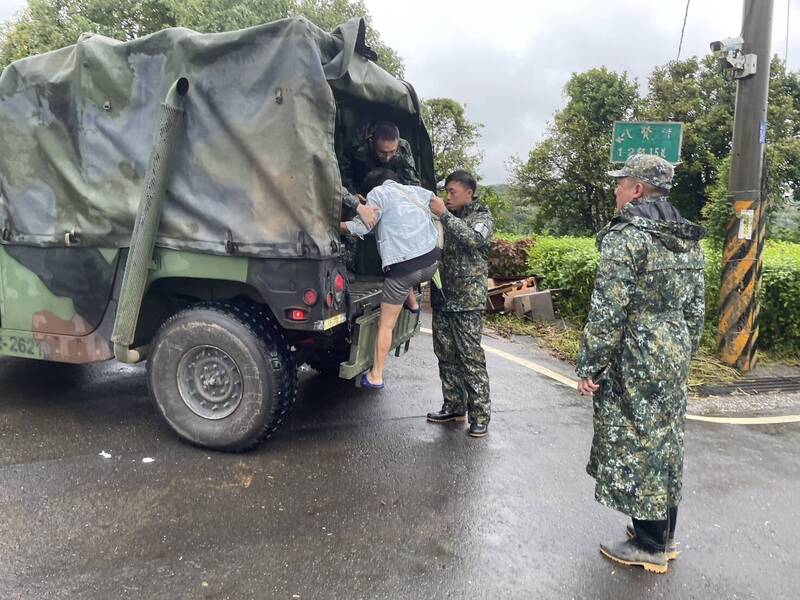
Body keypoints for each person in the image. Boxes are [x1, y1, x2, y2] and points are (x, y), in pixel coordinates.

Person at [575, 154, 705, 574]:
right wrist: (683, 349)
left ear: (638, 190)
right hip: (673, 350)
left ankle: (649, 545)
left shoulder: (625, 236)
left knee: (637, 442)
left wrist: (591, 366)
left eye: (621, 182)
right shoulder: (686, 236)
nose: (616, 189)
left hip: (635, 352)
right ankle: (662, 533)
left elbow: (608, 309)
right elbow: (695, 307)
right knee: (665, 438)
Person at [340, 168, 440, 389]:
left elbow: (362, 226)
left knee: (386, 324)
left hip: (405, 270)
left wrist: (334, 227)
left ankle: (376, 376)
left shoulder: (378, 193)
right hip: (432, 262)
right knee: (407, 278)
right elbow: (436, 202)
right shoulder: (415, 190)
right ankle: (412, 304)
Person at [426, 170, 492, 438]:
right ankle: (453, 406)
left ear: (469, 192)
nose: (447, 197)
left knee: (471, 360)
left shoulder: (482, 218)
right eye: (446, 192)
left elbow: (473, 239)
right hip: (444, 297)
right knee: (445, 355)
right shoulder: (446, 217)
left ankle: (480, 416)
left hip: (467, 302)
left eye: (452, 192)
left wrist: (443, 215)